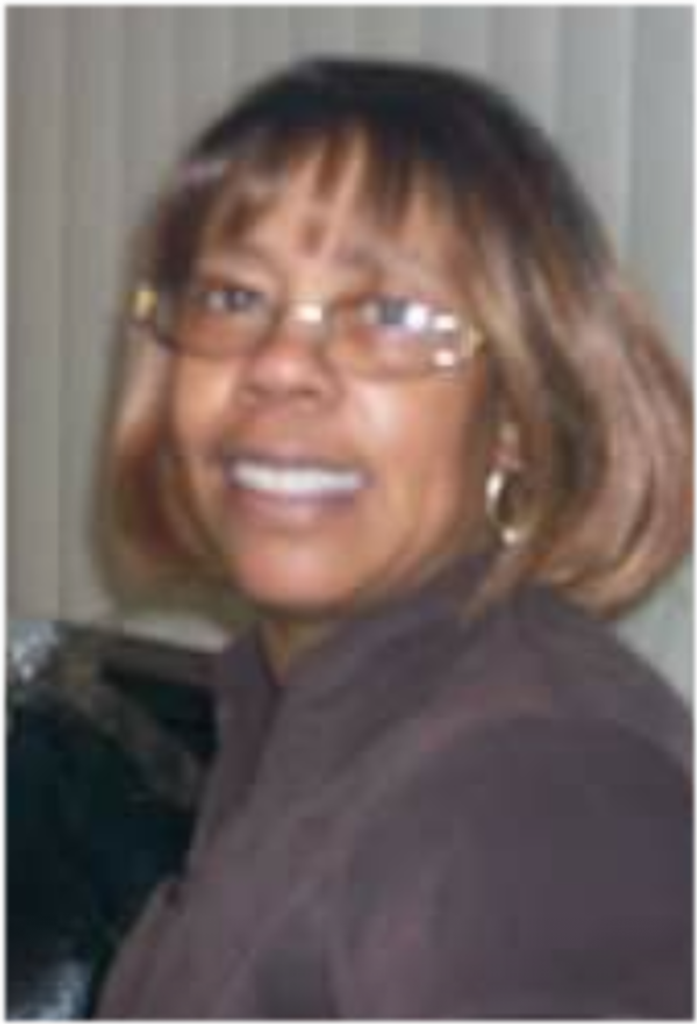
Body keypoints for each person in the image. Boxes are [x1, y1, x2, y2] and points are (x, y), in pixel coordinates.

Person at [93, 57, 697, 1023]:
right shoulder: (307, 705)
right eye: (235, 298)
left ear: (517, 412)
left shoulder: (530, 787)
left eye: (389, 315)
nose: (278, 364)